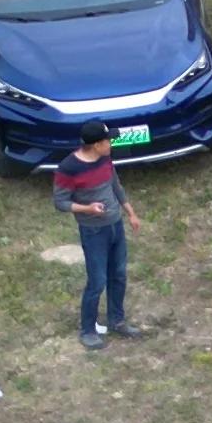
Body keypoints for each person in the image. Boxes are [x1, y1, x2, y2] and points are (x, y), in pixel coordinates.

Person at [55, 134, 135, 346]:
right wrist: (87, 209)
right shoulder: (69, 168)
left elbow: (115, 185)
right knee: (97, 281)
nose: (111, 144)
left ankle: (117, 320)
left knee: (118, 274)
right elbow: (60, 202)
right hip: (93, 232)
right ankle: (88, 330)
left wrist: (130, 213)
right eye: (108, 141)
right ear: (96, 144)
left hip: (115, 225)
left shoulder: (105, 158)